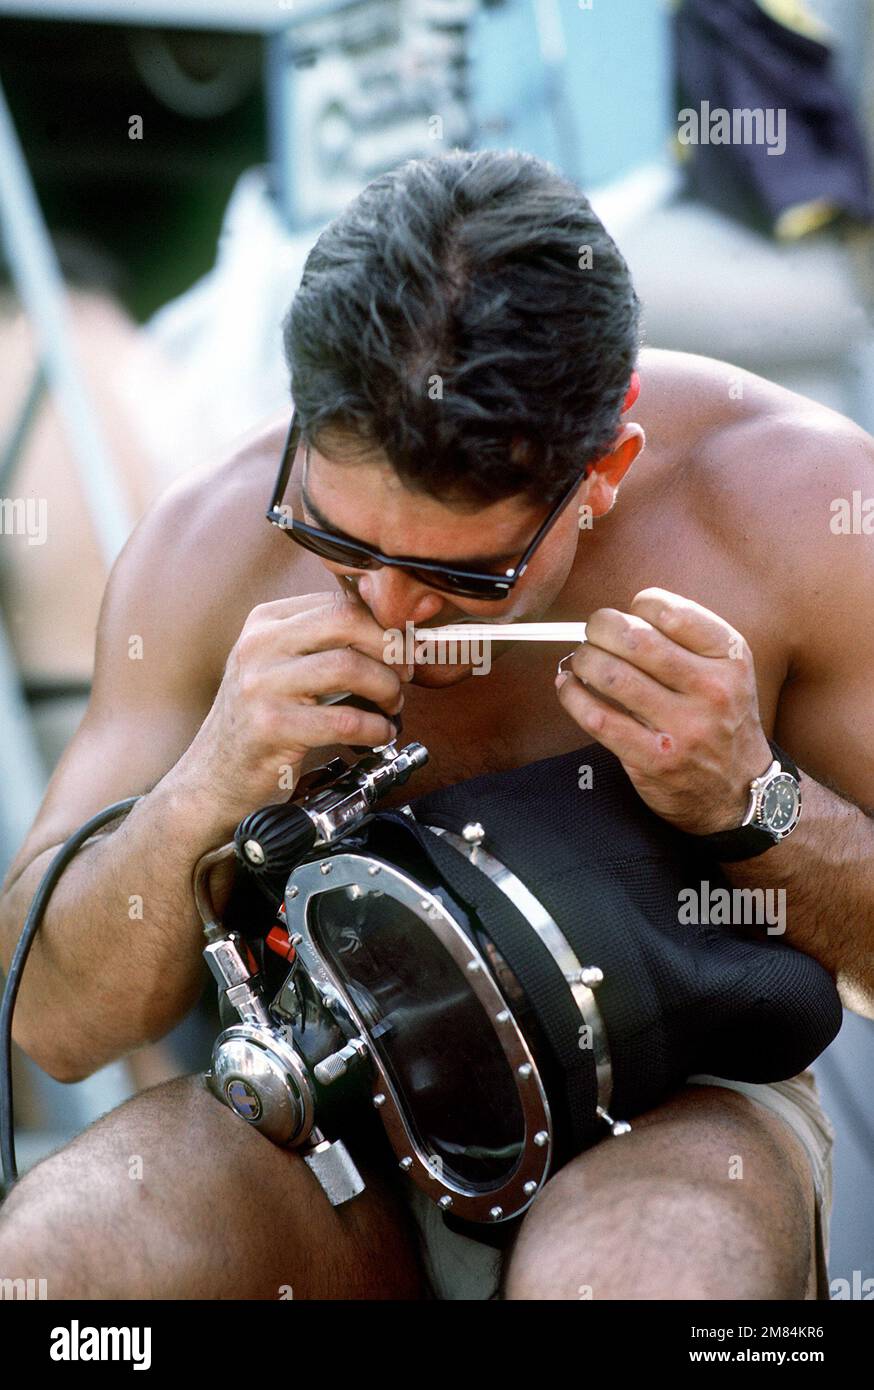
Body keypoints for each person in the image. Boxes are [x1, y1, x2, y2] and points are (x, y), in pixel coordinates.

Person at [1, 148, 869, 1300]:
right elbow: (54, 1025)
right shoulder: (201, 548)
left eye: (466, 574)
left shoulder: (799, 511)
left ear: (604, 467)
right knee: (50, 1267)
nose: (392, 608)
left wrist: (754, 800)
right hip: (322, 1126)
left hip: (680, 1113)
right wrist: (202, 790)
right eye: (341, 542)